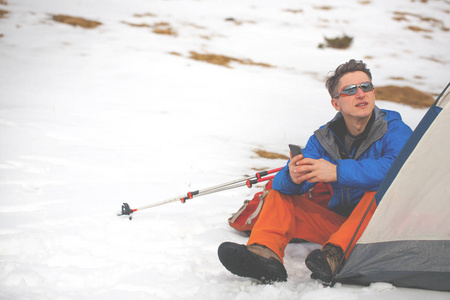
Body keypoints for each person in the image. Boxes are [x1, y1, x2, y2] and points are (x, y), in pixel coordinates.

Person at [217, 59, 413, 283]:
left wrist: (337, 171)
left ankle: (335, 256)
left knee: (379, 193)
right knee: (279, 194)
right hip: (341, 227)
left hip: (382, 229)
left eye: (366, 86)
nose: (361, 94)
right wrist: (292, 175)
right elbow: (287, 181)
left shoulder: (395, 129)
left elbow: (400, 169)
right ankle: (265, 254)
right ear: (336, 104)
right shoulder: (324, 139)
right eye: (350, 90)